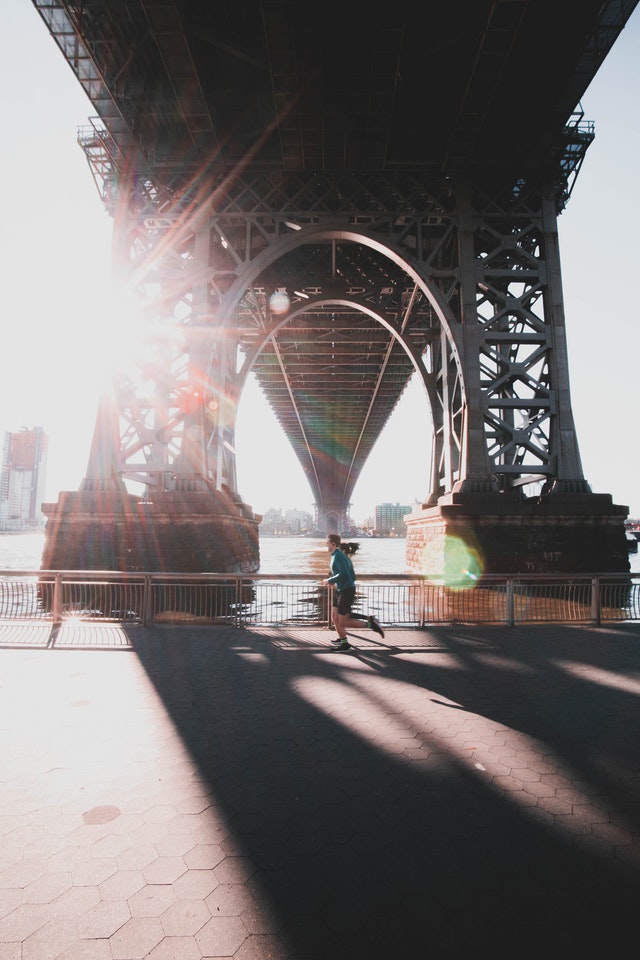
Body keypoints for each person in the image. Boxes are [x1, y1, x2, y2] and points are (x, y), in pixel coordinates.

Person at [324, 533, 385, 649]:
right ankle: (343, 641)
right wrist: (336, 581)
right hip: (342, 589)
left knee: (343, 621)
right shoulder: (337, 556)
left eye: (327, 543)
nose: (326, 545)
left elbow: (345, 574)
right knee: (334, 617)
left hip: (346, 591)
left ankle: (371, 624)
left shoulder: (338, 556)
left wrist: (330, 580)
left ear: (333, 544)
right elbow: (350, 575)